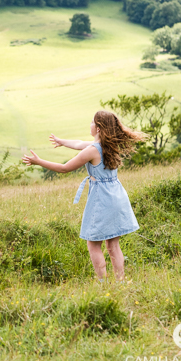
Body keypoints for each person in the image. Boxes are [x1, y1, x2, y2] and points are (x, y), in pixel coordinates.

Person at [22, 111, 146, 282]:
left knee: (93, 244)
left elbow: (64, 168)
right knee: (113, 245)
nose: (90, 125)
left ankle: (103, 284)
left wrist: (39, 161)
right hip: (117, 196)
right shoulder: (109, 145)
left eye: (92, 122)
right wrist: (61, 142)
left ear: (99, 128)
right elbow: (79, 143)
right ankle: (120, 281)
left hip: (102, 199)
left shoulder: (92, 151)